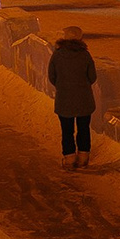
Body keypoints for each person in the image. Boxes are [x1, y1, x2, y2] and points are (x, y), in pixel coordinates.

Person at [48, 27, 97, 169]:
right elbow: (92, 77)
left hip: (64, 99)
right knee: (83, 128)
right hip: (84, 99)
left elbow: (52, 76)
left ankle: (69, 158)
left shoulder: (57, 55)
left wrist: (63, 86)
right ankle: (83, 157)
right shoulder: (85, 55)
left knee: (67, 129)